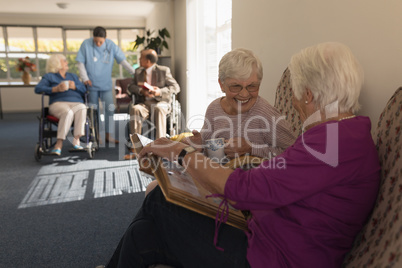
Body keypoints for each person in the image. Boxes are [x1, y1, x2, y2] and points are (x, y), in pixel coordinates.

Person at [103, 42, 381, 268]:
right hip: (264, 237)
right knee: (145, 232)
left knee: (158, 202)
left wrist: (182, 152)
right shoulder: (340, 135)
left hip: (273, 257)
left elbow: (246, 188)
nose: (294, 101)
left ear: (307, 94)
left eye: (295, 92)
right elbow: (275, 178)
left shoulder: (333, 143)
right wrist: (191, 146)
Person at [76, 26, 135, 144]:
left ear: (105, 38)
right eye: (96, 41)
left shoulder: (111, 45)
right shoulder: (86, 44)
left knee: (109, 109)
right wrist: (85, 78)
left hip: (105, 84)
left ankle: (108, 135)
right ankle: (96, 135)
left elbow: (122, 61)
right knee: (94, 110)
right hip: (91, 83)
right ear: (92, 38)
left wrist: (134, 73)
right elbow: (80, 63)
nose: (98, 44)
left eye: (100, 42)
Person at [124, 48, 180, 160]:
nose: (139, 59)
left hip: (161, 102)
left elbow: (176, 87)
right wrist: (141, 91)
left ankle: (160, 147)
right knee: (135, 109)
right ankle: (137, 149)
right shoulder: (138, 72)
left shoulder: (163, 70)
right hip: (144, 104)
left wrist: (159, 91)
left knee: (159, 108)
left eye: (141, 58)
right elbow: (130, 87)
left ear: (148, 61)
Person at [35, 54, 87, 156]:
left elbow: (84, 89)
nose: (67, 62)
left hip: (76, 102)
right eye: (64, 61)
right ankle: (58, 144)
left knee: (82, 107)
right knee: (68, 112)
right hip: (58, 103)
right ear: (57, 63)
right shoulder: (49, 76)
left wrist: (75, 87)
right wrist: (54, 89)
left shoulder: (73, 76)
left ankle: (76, 140)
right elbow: (38, 89)